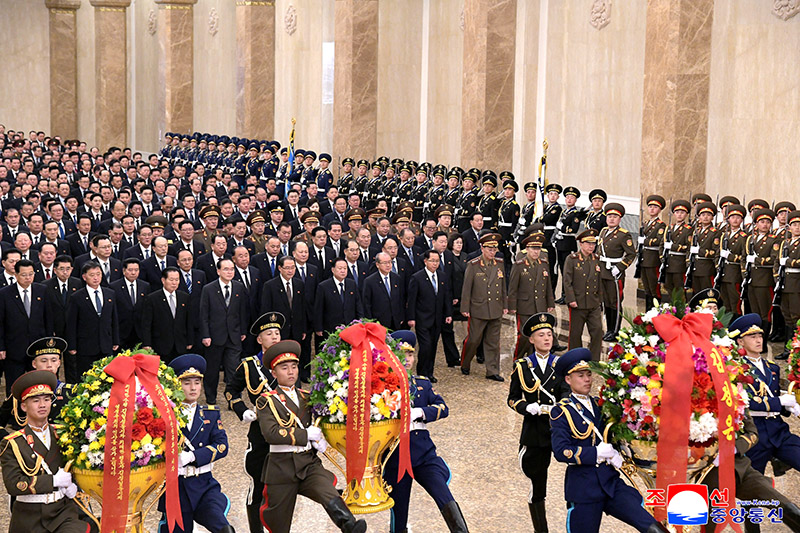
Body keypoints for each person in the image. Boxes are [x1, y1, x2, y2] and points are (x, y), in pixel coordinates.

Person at [550, 348, 667, 533]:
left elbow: (613, 434)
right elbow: (561, 451)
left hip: (610, 483)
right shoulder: (561, 411)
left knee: (653, 527)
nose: (587, 379)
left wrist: (618, 452)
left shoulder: (600, 404)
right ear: (568, 379)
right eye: (580, 375)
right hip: (584, 488)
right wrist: (596, 453)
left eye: (589, 374)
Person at [256, 340, 367, 533]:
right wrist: (304, 434)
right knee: (278, 525)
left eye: (294, 367)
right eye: (284, 368)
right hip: (281, 467)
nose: (291, 372)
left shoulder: (307, 397)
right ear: (274, 373)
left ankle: (350, 525)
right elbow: (271, 433)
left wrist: (322, 439)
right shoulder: (267, 401)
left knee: (328, 491)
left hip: (308, 463)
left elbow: (320, 424)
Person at [383, 331, 468, 533]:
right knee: (398, 514)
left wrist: (420, 412)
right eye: (401, 354)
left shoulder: (422, 384)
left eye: (410, 354)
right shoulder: (381, 388)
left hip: (423, 456)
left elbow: (442, 408)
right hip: (395, 460)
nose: (407, 359)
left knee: (445, 498)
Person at [0, 370, 89, 532]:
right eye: (36, 400)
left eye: (47, 399)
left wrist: (75, 485)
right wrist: (53, 481)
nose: (42, 405)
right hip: (30, 517)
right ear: (23, 406)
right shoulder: (12, 443)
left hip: (63, 512)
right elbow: (14, 485)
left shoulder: (64, 434)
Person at [507, 313, 570, 533]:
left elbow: (566, 393)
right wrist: (527, 408)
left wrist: (559, 407)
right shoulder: (523, 366)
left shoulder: (561, 365)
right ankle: (540, 530)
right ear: (531, 339)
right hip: (535, 431)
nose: (547, 339)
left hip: (559, 429)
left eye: (549, 334)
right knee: (537, 483)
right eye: (541, 335)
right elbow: (513, 399)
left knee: (574, 481)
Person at [159, 354, 234, 533]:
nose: (193, 388)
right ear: (176, 385)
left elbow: (222, 446)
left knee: (224, 529)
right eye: (186, 383)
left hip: (205, 484)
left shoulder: (210, 413)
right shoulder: (166, 415)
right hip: (177, 488)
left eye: (197, 382)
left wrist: (193, 456)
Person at [225, 312, 283, 533]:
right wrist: (242, 411)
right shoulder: (250, 365)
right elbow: (231, 391)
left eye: (277, 333)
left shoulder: (288, 363)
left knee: (283, 488)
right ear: (260, 339)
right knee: (258, 486)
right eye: (269, 334)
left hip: (286, 433)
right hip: (260, 433)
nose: (275, 337)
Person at [729, 314, 800, 474]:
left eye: (760, 335)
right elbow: (746, 402)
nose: (758, 340)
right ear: (740, 341)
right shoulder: (736, 369)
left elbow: (773, 395)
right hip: (755, 435)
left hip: (779, 431)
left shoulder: (772, 367)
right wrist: (781, 402)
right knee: (752, 485)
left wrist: (789, 407)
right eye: (752, 336)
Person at [199, 257, 249, 404]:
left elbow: (243, 312)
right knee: (212, 370)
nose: (229, 272)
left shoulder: (239, 287)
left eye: (232, 269)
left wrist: (243, 331)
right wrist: (205, 335)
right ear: (218, 271)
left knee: (233, 369)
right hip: (214, 337)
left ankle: (233, 399)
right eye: (226, 269)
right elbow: (203, 314)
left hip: (234, 336)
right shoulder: (208, 289)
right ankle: (211, 397)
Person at [0, 337, 71, 438]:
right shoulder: (22, 393)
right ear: (34, 364)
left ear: (59, 363)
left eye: (54, 360)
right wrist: (12, 443)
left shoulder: (70, 392)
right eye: (43, 361)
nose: (49, 365)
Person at [460, 233, 507, 382]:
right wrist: (465, 308)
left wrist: (505, 305)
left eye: (494, 249)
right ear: (482, 248)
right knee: (474, 340)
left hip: (495, 307)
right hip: (478, 308)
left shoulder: (499, 263)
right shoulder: (473, 265)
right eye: (489, 249)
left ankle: (492, 370)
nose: (492, 252)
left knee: (493, 342)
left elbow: (503, 286)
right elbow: (467, 288)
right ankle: (465, 362)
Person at [0, 258, 49, 393]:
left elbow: (48, 318)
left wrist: (48, 343)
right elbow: (1, 322)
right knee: (15, 386)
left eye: (31, 274)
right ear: (15, 275)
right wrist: (1, 346)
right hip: (14, 347)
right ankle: (13, 413)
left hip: (37, 347)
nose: (28, 278)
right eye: (24, 274)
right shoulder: (4, 293)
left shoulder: (42, 290)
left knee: (38, 385)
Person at [66, 261, 120, 376]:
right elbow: (71, 323)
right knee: (87, 378)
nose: (96, 278)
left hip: (106, 344)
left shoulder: (110, 293)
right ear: (84, 277)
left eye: (98, 274)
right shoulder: (77, 297)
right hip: (86, 345)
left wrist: (115, 340)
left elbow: (114, 319)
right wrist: (72, 345)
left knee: (107, 377)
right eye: (92, 275)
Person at [407, 250, 453, 382]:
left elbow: (446, 297)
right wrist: (411, 318)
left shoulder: (442, 276)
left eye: (437, 261)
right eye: (432, 261)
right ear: (425, 261)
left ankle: (430, 372)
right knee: (425, 346)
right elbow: (412, 300)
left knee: (433, 347)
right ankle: (422, 373)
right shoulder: (417, 277)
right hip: (422, 318)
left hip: (437, 318)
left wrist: (448, 313)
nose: (435, 264)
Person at [508, 234, 556, 360]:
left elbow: (548, 285)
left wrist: (550, 303)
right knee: (524, 335)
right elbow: (513, 287)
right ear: (527, 249)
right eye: (533, 249)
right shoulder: (519, 265)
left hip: (540, 305)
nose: (536, 252)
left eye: (538, 249)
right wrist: (512, 305)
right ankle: (517, 358)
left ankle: (532, 358)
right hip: (524, 305)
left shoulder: (544, 264)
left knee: (537, 334)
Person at [563, 229, 604, 360]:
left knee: (597, 331)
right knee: (575, 334)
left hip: (593, 303)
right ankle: (575, 359)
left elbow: (599, 282)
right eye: (588, 243)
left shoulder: (597, 259)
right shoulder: (572, 259)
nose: (591, 246)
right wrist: (571, 299)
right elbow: (567, 281)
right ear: (581, 244)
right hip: (578, 303)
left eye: (593, 244)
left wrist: (600, 301)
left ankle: (595, 359)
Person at [598, 203, 636, 341]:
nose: (611, 219)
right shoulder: (603, 231)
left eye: (615, 217)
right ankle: (608, 329)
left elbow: (631, 254)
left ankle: (615, 331)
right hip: (603, 271)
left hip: (615, 273)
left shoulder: (623, 235)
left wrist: (620, 267)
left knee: (615, 302)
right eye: (609, 216)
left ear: (620, 219)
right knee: (606, 302)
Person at [743, 209, 779, 351]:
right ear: (756, 224)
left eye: (767, 222)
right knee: (755, 312)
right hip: (752, 279)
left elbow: (774, 259)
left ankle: (762, 344)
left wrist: (757, 260)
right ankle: (754, 342)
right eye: (761, 222)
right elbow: (743, 257)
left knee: (765, 313)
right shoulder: (750, 239)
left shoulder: (774, 240)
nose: (764, 225)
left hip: (765, 280)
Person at [141, 267, 192, 362]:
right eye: (171, 280)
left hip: (180, 344)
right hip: (160, 344)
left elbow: (188, 320)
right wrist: (147, 343)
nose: (174, 283)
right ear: (163, 280)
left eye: (177, 280)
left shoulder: (184, 297)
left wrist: (190, 340)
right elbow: (146, 324)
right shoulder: (152, 298)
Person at [313, 258, 363, 337]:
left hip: (350, 327)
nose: (343, 271)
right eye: (340, 268)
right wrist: (318, 328)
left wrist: (360, 322)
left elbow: (358, 304)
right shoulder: (323, 286)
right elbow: (319, 308)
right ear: (333, 270)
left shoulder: (351, 284)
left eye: (345, 268)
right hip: (331, 328)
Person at [362, 251, 405, 331]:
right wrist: (370, 322)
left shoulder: (396, 278)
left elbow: (401, 299)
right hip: (378, 322)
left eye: (390, 262)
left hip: (395, 321)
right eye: (385, 263)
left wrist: (401, 317)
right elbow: (366, 304)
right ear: (377, 265)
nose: (388, 265)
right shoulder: (369, 281)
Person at [638, 195, 666, 310]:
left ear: (659, 210)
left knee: (654, 287)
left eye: (655, 207)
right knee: (647, 287)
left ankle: (655, 310)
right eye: (650, 207)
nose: (652, 209)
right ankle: (647, 311)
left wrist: (645, 241)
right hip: (644, 258)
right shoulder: (646, 223)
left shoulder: (661, 225)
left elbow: (658, 241)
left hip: (653, 259)